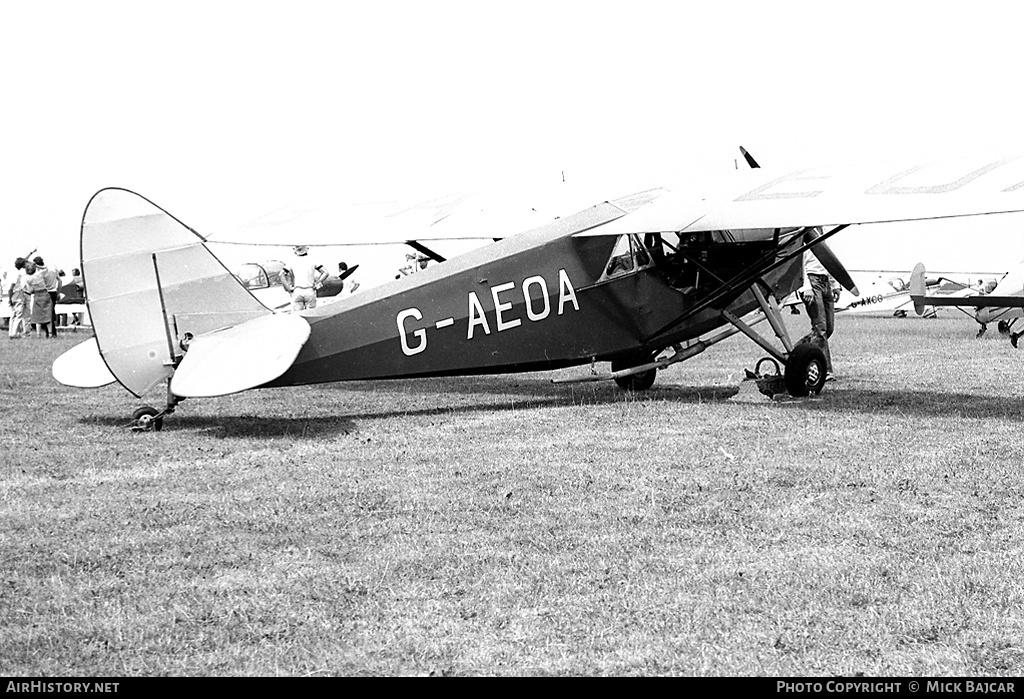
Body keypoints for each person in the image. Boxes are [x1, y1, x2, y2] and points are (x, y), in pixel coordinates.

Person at [799, 241, 835, 380]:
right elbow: (799, 259)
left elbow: (829, 259)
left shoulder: (824, 231)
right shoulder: (803, 233)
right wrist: (805, 286)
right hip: (811, 279)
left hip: (825, 281)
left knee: (828, 328)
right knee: (820, 329)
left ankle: (796, 351)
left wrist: (834, 283)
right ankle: (825, 370)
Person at [282, 245, 328, 311]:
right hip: (310, 290)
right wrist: (317, 282)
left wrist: (288, 288)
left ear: (295, 249)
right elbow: (325, 273)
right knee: (311, 313)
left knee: (297, 315)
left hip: (297, 290)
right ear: (307, 248)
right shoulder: (313, 260)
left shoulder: (292, 261)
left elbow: (281, 274)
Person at [23, 259, 52, 338]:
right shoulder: (39, 274)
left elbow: (30, 290)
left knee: (37, 316)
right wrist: (37, 265)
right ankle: (50, 333)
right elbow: (46, 268)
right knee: (48, 315)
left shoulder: (27, 279)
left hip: (37, 295)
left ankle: (38, 335)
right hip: (45, 294)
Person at [33, 256, 60, 336]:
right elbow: (60, 280)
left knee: (43, 314)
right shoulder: (53, 270)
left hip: (45, 293)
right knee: (51, 313)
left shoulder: (40, 273)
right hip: (54, 291)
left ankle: (47, 332)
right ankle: (52, 332)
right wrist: (58, 292)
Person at [7, 257, 29, 339]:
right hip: (17, 293)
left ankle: (11, 332)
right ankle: (14, 333)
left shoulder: (12, 272)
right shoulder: (17, 274)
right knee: (19, 314)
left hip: (13, 294)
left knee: (13, 315)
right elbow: (11, 287)